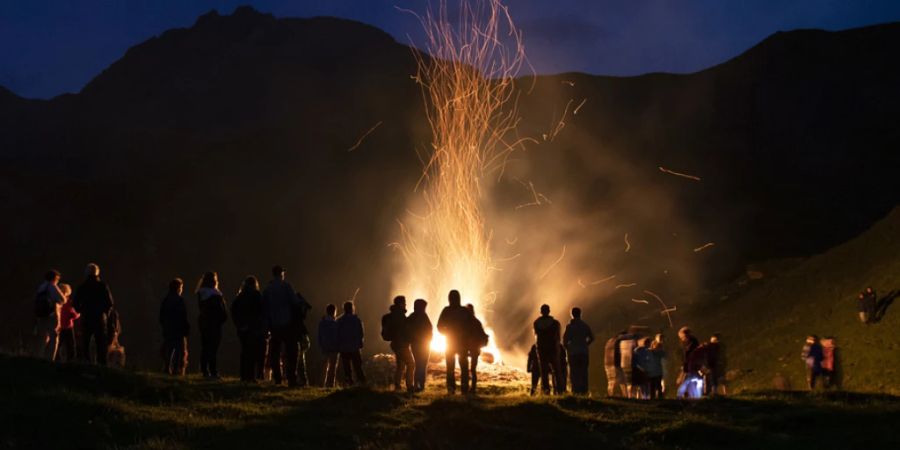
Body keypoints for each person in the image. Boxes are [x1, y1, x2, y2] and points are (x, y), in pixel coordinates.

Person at [262, 266, 301, 386]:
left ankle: (277, 378)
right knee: (292, 351)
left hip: (274, 324)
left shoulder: (268, 289)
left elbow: (264, 308)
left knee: (275, 352)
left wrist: (267, 325)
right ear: (282, 274)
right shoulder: (286, 286)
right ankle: (291, 378)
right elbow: (294, 302)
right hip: (287, 323)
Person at [73, 263, 114, 365]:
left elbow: (75, 302)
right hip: (99, 317)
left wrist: (80, 310)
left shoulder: (82, 287)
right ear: (97, 273)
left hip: (86, 316)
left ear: (86, 273)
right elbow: (110, 303)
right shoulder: (102, 286)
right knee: (101, 342)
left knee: (85, 341)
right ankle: (102, 363)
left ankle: (86, 361)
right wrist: (105, 313)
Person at [437, 290, 473, 394]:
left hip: (451, 343)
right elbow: (471, 326)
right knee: (463, 368)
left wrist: (447, 332)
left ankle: (451, 389)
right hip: (460, 344)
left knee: (451, 367)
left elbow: (439, 326)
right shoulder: (464, 311)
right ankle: (464, 389)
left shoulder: (447, 310)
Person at [232, 276, 266, 382]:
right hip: (253, 328)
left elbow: (233, 310)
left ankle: (243, 375)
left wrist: (238, 324)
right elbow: (262, 311)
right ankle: (251, 376)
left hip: (242, 329)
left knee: (245, 352)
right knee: (253, 353)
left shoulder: (240, 296)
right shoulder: (256, 295)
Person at [196, 271, 227, 378]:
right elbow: (222, 312)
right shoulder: (216, 294)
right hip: (215, 325)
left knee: (205, 347)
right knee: (213, 348)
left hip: (204, 324)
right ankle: (213, 371)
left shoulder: (201, 293)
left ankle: (205, 370)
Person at [382, 296, 414, 392]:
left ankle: (397, 385)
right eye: (404, 302)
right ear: (400, 303)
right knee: (411, 364)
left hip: (396, 343)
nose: (405, 304)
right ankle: (409, 386)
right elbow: (404, 330)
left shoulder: (394, 314)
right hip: (401, 344)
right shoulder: (399, 315)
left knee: (400, 365)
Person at [159, 278, 190, 376]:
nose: (181, 289)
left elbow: (161, 316)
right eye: (181, 287)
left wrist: (164, 325)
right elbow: (183, 315)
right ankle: (177, 369)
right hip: (178, 329)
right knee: (178, 350)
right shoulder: (180, 300)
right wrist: (186, 327)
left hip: (168, 328)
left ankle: (167, 367)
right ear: (178, 288)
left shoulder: (166, 300)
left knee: (169, 348)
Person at [563, 307, 595, 394]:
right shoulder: (585, 325)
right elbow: (592, 338)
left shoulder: (569, 327)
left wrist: (568, 348)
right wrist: (585, 344)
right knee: (584, 372)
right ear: (580, 314)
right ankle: (584, 391)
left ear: (572, 314)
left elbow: (565, 341)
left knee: (574, 373)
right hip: (584, 352)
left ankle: (575, 391)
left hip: (573, 353)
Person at [533, 304, 562, 395]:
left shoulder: (536, 323)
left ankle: (546, 391)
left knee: (544, 372)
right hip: (553, 349)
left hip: (542, 350)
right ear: (549, 311)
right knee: (556, 370)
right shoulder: (555, 323)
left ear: (541, 311)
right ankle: (559, 391)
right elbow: (558, 337)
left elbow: (536, 337)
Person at [405, 299, 432, 392]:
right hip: (423, 345)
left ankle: (417, 384)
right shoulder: (423, 316)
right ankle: (421, 384)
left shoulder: (411, 317)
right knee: (422, 364)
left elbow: (407, 329)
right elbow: (429, 329)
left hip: (416, 344)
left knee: (418, 364)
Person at [336, 301, 366, 386]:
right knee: (358, 367)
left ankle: (349, 383)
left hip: (344, 348)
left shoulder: (339, 320)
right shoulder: (357, 320)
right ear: (352, 308)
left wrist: (338, 345)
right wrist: (360, 343)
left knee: (347, 368)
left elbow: (337, 334)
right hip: (355, 347)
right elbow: (361, 333)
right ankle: (362, 383)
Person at [465, 304, 489, 394]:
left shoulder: (465, 323)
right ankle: (472, 387)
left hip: (467, 347)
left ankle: (467, 387)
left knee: (467, 368)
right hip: (475, 348)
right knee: (472, 369)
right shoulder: (477, 322)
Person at [318, 304, 340, 388]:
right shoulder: (335, 324)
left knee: (323, 368)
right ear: (334, 312)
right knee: (332, 368)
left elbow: (319, 336)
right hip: (334, 348)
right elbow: (337, 336)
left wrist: (321, 345)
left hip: (324, 348)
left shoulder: (321, 323)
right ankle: (330, 385)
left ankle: (321, 385)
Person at [56, 283, 79, 362]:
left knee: (58, 344)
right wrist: (78, 314)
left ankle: (56, 359)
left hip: (59, 327)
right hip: (67, 327)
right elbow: (72, 314)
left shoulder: (56, 300)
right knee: (71, 345)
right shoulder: (68, 302)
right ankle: (71, 361)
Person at [618, 326, 642, 398]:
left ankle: (629, 396)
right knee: (633, 382)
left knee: (628, 382)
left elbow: (620, 352)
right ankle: (633, 396)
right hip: (632, 363)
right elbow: (636, 353)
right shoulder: (633, 342)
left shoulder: (621, 342)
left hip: (624, 363)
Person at [604, 331, 627, 397]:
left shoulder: (610, 341)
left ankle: (610, 395)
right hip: (616, 363)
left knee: (611, 381)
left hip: (607, 364)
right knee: (623, 381)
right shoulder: (619, 341)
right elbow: (619, 353)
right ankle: (626, 396)